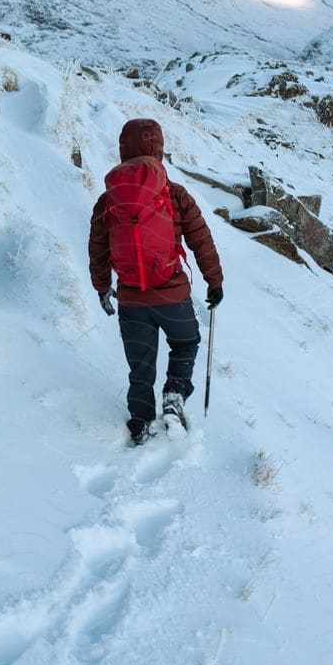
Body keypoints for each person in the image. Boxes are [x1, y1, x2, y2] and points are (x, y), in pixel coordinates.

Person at [89, 118, 224, 443]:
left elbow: (98, 248)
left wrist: (103, 287)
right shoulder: (174, 194)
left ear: (123, 150)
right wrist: (214, 281)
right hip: (172, 296)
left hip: (131, 300)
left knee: (140, 364)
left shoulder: (109, 199)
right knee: (185, 343)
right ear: (158, 149)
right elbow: (200, 239)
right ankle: (174, 397)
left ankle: (140, 422)